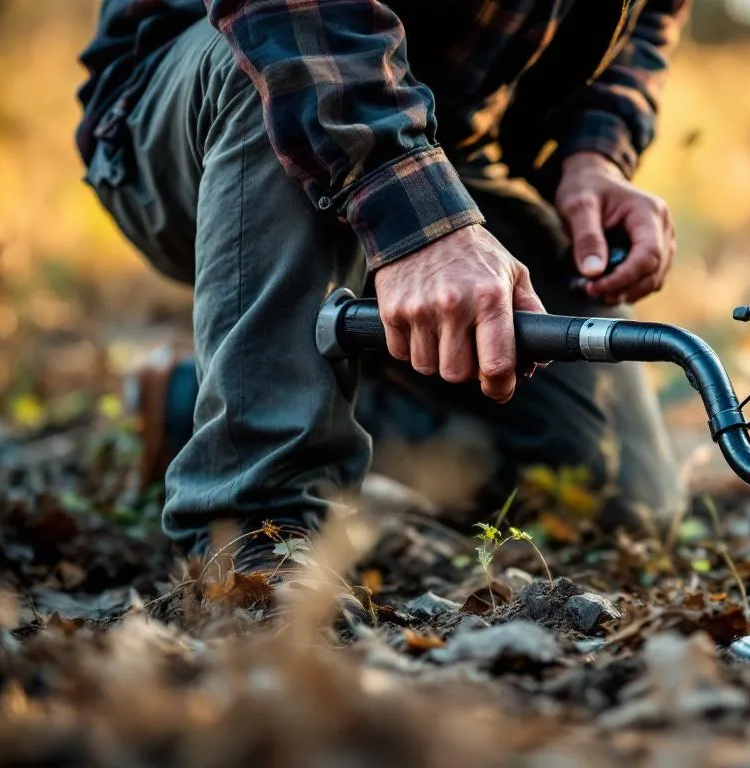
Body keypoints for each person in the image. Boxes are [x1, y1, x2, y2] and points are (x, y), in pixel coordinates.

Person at [75, 1, 691, 586]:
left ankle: (211, 397)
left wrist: (591, 153)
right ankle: (257, 536)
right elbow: (293, 18)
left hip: (439, 146)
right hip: (212, 100)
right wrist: (413, 215)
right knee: (287, 71)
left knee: (619, 494)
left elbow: (644, 22)